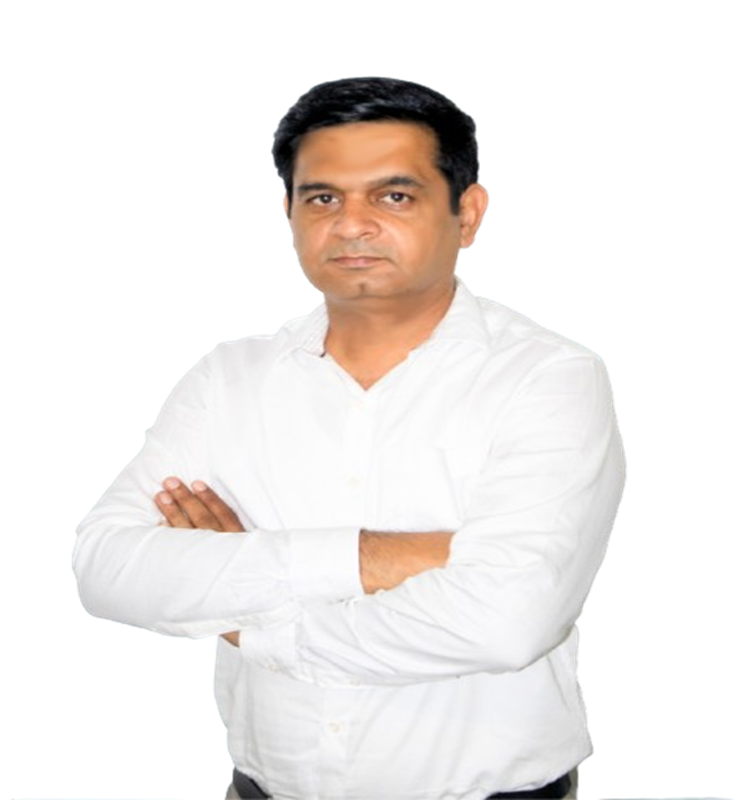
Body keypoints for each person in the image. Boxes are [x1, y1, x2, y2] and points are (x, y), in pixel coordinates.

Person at [72, 76, 626, 800]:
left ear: (467, 213)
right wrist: (382, 557)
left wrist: (252, 616)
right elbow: (107, 569)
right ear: (288, 213)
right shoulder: (228, 377)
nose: (352, 224)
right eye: (323, 198)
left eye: (393, 196)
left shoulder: (549, 377)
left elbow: (506, 620)